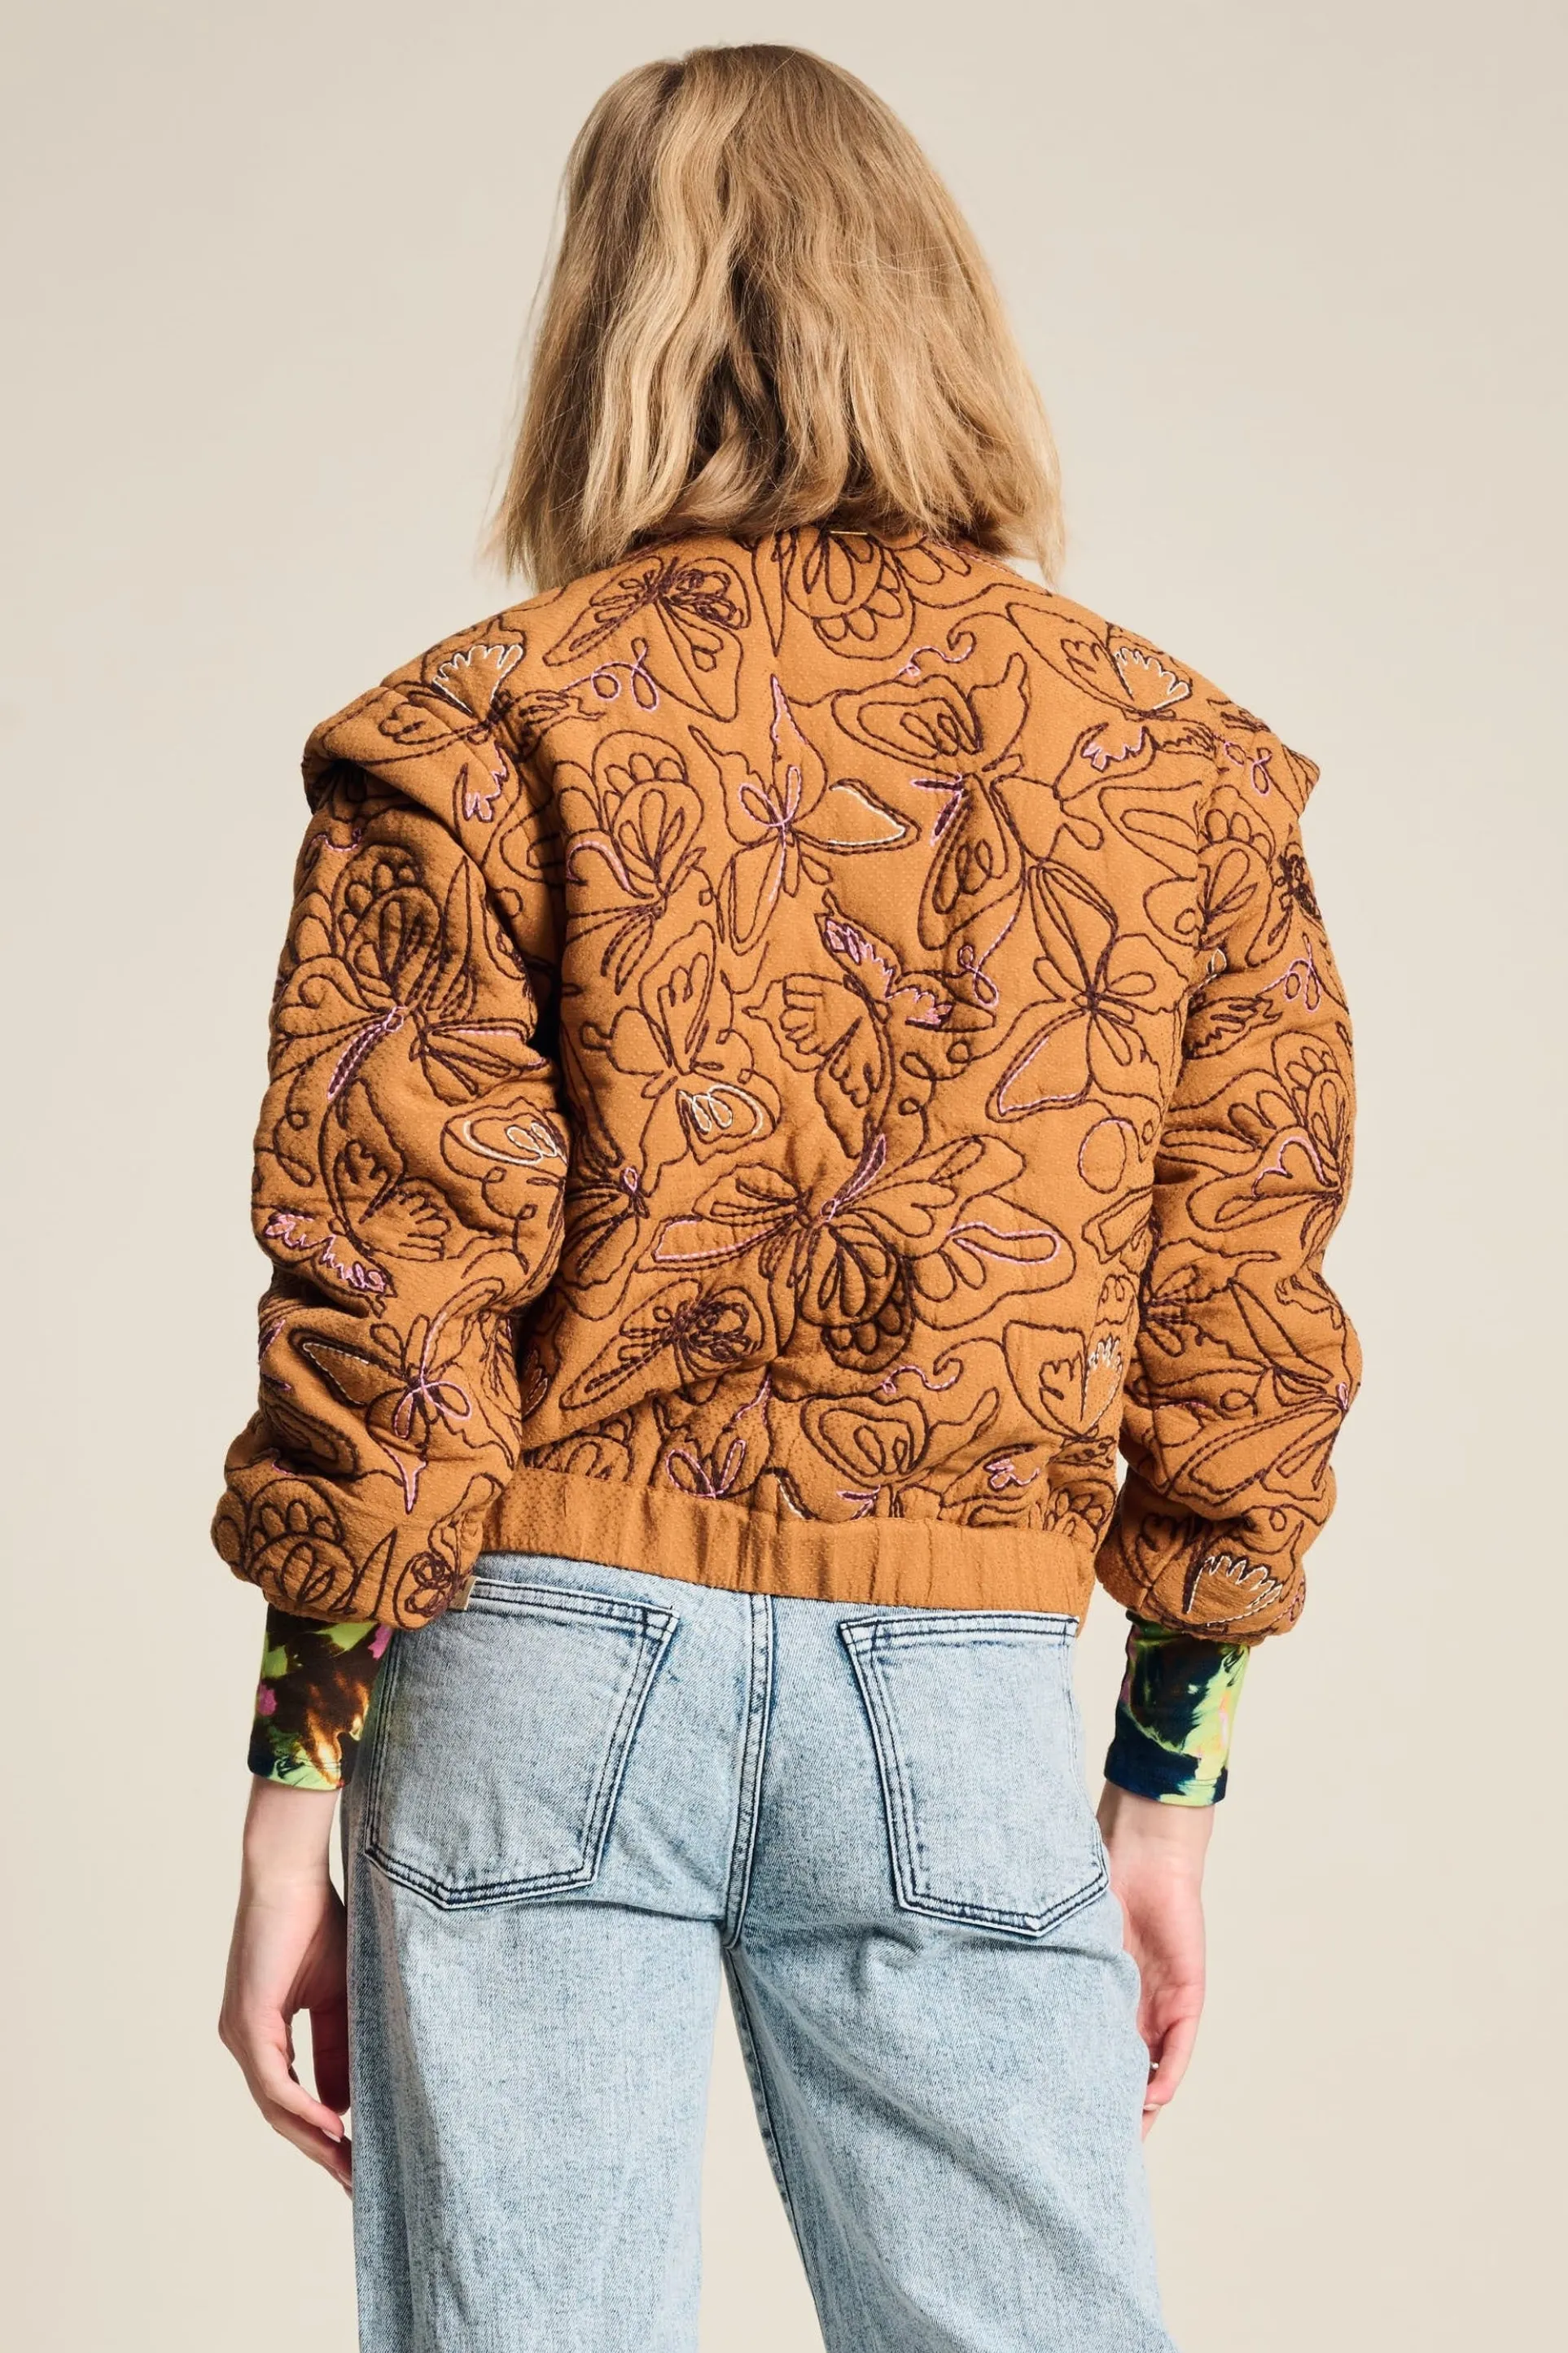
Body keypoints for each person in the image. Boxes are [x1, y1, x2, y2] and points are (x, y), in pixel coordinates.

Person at [217, 42, 1358, 2353]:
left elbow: (395, 1293)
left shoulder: (477, 729)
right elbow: (1240, 1305)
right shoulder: (1181, 766)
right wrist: (1167, 1783)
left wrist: (287, 1791)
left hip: (535, 1654)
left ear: (604, 331)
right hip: (955, 1677)